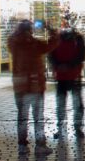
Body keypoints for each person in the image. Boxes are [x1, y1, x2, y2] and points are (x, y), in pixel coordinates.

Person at [9, 20, 60, 153]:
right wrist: (49, 28)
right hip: (35, 85)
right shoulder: (34, 44)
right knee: (38, 117)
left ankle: (22, 145)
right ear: (29, 30)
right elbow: (53, 43)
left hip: (19, 85)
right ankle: (40, 145)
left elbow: (12, 39)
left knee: (22, 116)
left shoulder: (13, 43)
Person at [49, 19, 85, 140]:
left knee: (63, 103)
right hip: (69, 76)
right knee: (73, 103)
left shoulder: (63, 39)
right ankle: (74, 128)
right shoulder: (77, 38)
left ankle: (67, 128)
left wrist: (60, 66)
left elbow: (51, 56)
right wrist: (66, 66)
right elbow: (81, 56)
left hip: (65, 76)